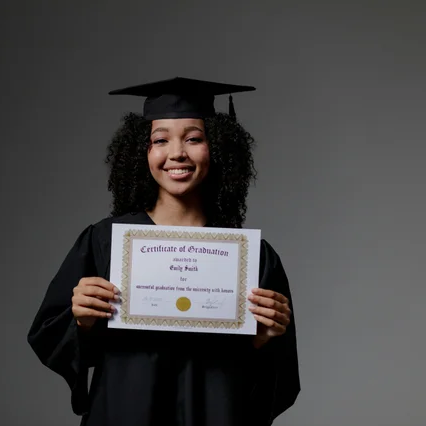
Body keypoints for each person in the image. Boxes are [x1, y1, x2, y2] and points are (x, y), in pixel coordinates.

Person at [27, 77, 300, 426]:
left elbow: (275, 384)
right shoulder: (105, 241)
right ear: (142, 152)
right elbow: (51, 335)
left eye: (194, 138)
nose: (176, 153)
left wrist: (263, 342)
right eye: (160, 140)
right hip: (125, 413)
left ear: (217, 147)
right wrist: (81, 321)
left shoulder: (250, 257)